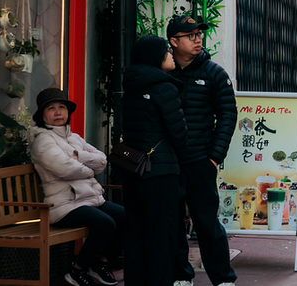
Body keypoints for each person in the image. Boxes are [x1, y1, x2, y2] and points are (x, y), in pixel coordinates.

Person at [167, 14, 238, 286]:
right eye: (190, 35)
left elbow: (228, 115)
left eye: (199, 34)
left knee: (207, 222)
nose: (197, 39)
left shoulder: (213, 73)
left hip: (200, 160)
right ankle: (181, 276)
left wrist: (214, 157)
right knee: (173, 223)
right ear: (174, 41)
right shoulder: (163, 72)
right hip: (169, 161)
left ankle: (223, 279)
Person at [29, 88, 125, 286]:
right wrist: (89, 169)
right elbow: (65, 169)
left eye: (61, 107)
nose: (58, 112)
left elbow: (102, 160)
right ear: (42, 115)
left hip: (87, 199)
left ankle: (101, 263)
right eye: (51, 108)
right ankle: (78, 270)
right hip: (63, 205)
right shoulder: (42, 140)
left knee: (127, 218)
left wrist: (79, 157)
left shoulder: (74, 138)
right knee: (106, 224)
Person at [122, 36, 189, 286]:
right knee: (162, 234)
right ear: (155, 57)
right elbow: (178, 132)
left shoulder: (130, 85)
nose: (171, 55)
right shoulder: (164, 87)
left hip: (134, 169)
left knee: (136, 233)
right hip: (161, 172)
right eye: (166, 51)